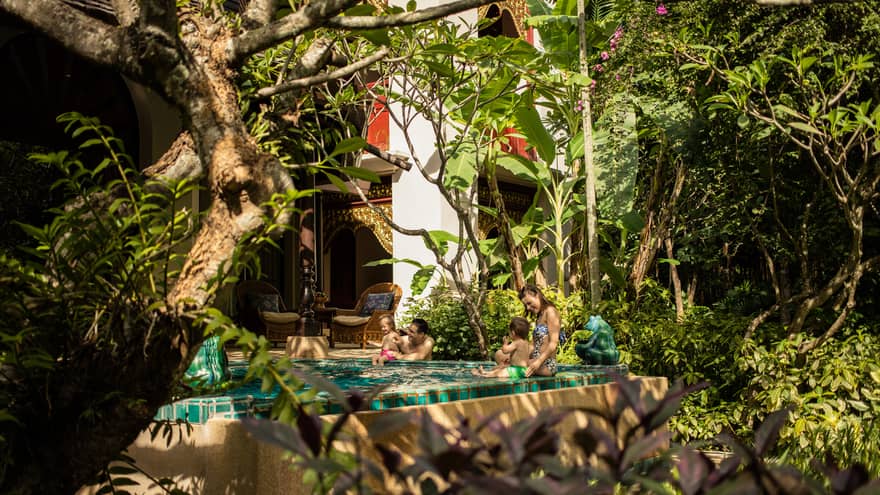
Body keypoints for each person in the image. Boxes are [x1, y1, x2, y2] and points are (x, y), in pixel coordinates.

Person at [519, 284, 564, 377]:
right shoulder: (539, 317)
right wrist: (519, 353)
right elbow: (533, 345)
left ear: (537, 295)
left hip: (546, 364)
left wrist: (538, 362)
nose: (527, 308)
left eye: (529, 303)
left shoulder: (551, 312)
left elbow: (553, 344)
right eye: (525, 305)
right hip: (535, 361)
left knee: (516, 364)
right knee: (501, 356)